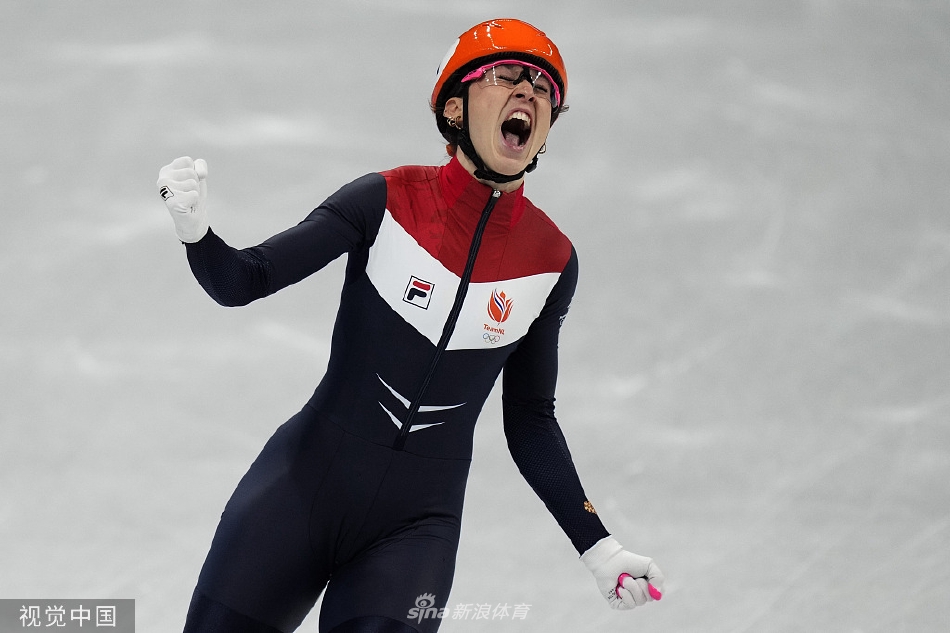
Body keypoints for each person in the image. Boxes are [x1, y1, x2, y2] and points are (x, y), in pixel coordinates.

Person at [156, 18, 664, 633]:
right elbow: (244, 281)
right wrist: (196, 232)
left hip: (414, 534)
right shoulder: (385, 201)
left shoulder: (551, 261)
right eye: (507, 76)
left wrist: (597, 545)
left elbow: (530, 419)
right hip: (298, 493)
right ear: (454, 106)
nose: (527, 93)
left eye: (542, 89)